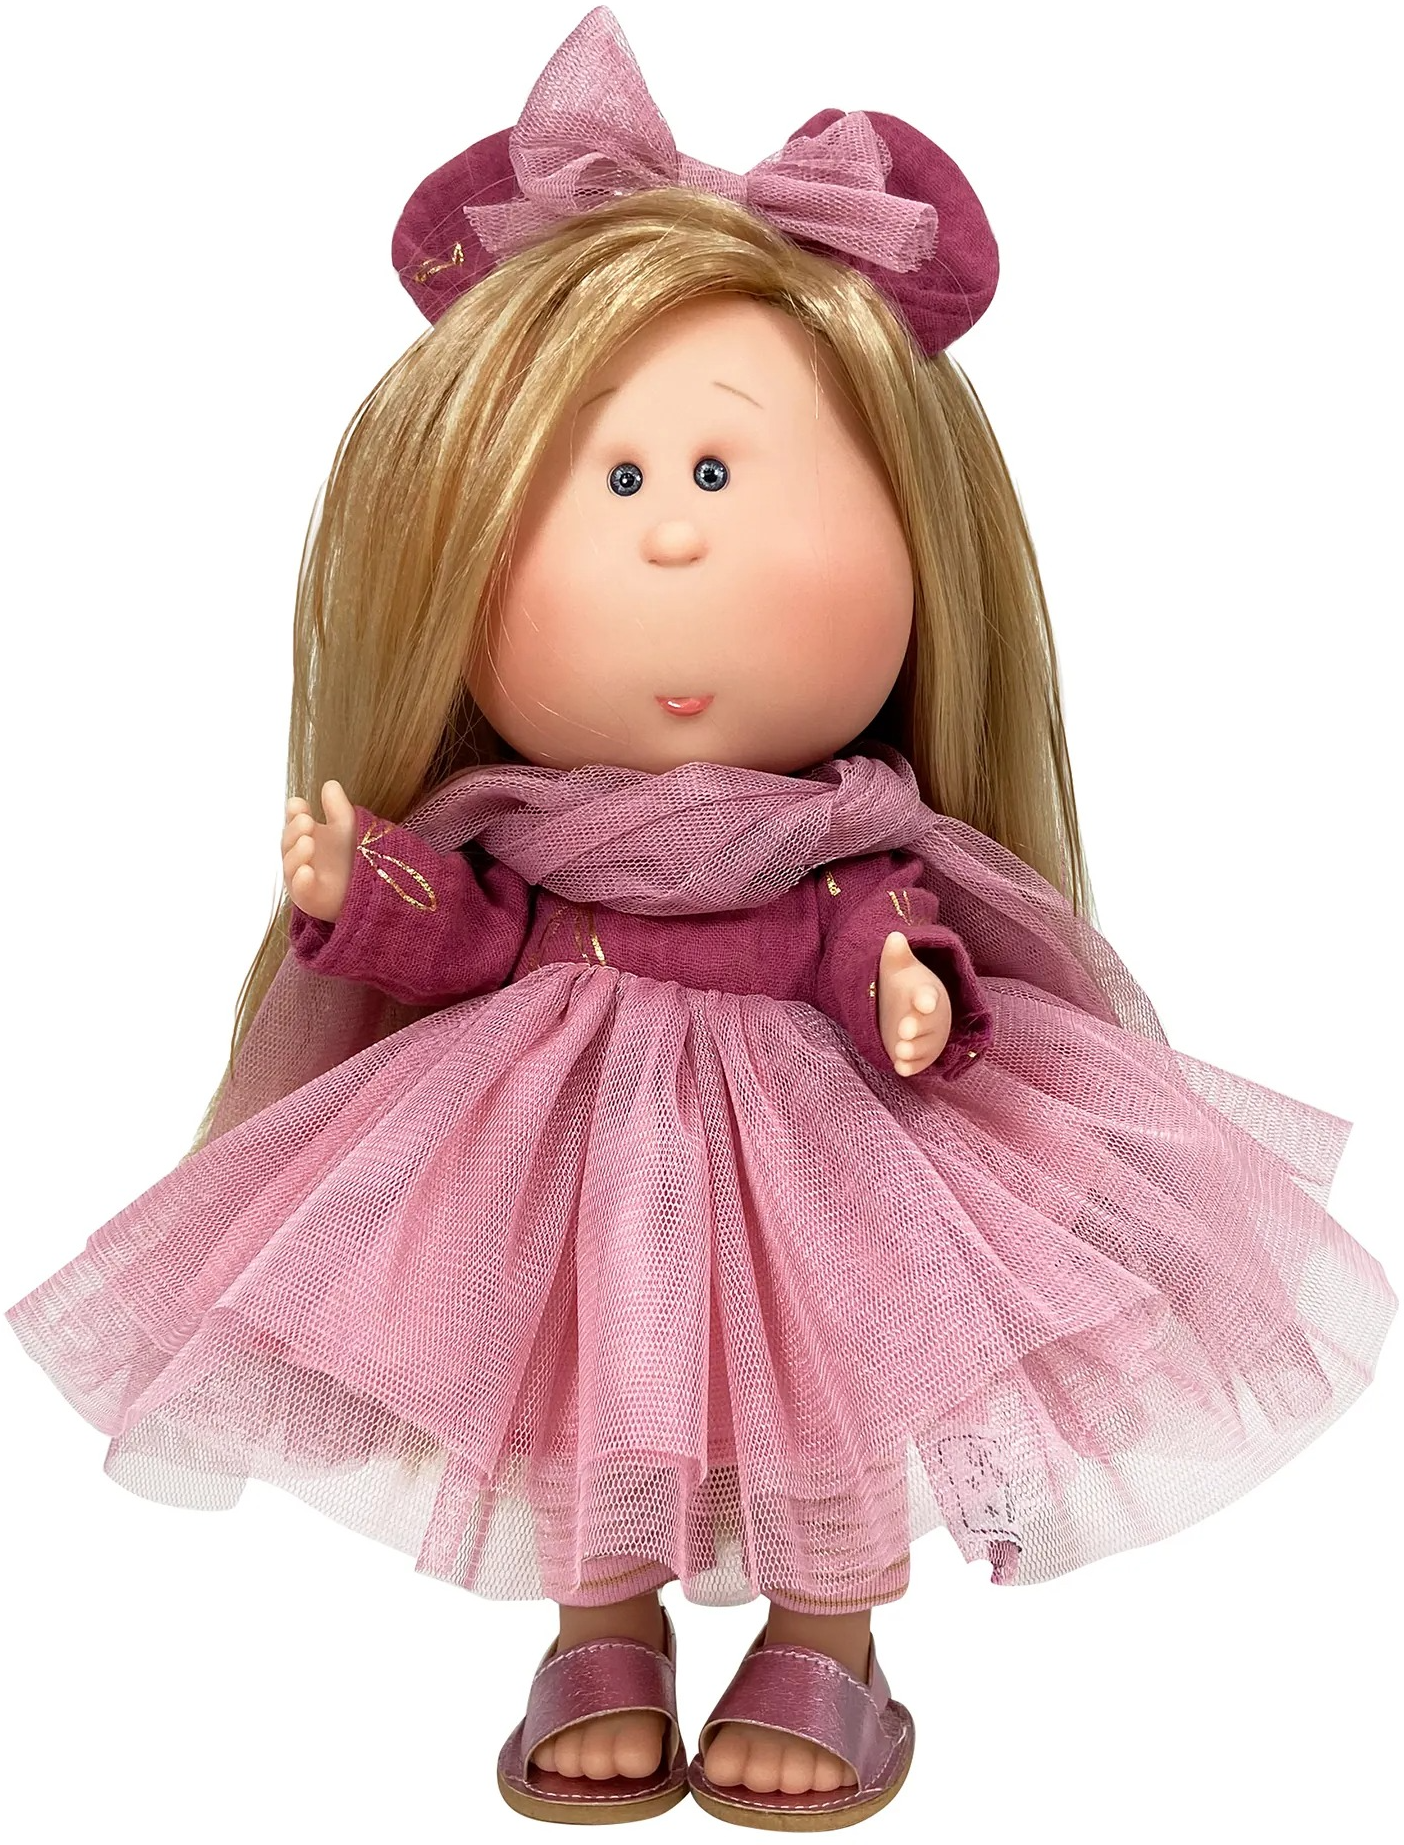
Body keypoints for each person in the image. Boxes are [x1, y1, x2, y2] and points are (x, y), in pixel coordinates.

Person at [7, 7, 1395, 1831]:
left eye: (720, 476)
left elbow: (885, 933)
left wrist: (911, 990)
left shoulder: (854, 842)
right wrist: (371, 895)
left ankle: (834, 1633)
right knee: (586, 1374)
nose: (671, 539)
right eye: (617, 481)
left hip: (822, 1145)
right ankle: (604, 1624)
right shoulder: (524, 836)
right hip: (564, 1136)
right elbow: (483, 935)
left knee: (836, 1379)